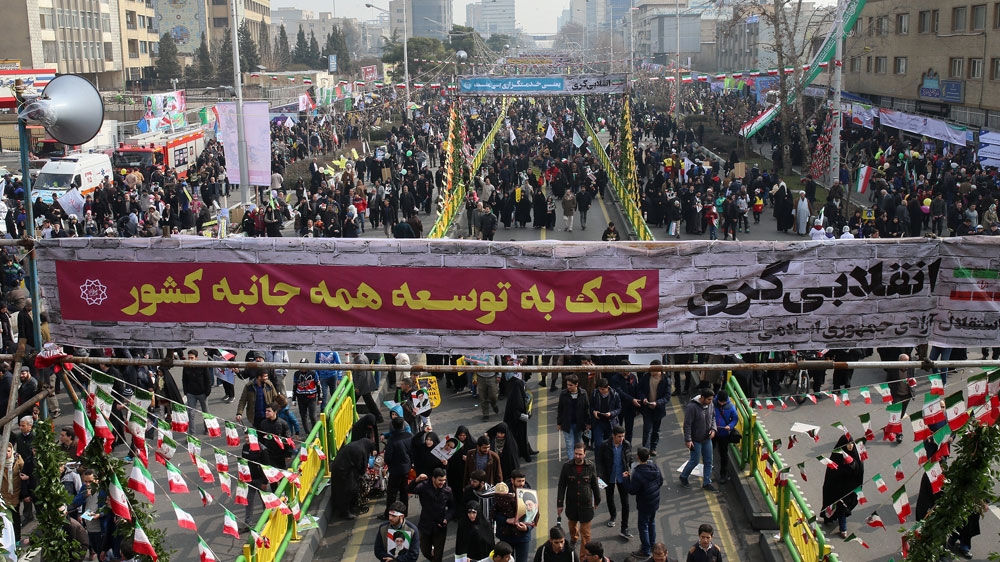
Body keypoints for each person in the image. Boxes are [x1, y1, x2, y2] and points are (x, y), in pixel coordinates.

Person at [557, 442, 601, 555]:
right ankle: (574, 538)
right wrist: (560, 503)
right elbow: (562, 485)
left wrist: (597, 499)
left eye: (580, 454)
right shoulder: (566, 466)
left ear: (585, 454)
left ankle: (583, 557)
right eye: (576, 454)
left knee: (586, 534)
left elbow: (595, 484)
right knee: (572, 527)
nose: (577, 456)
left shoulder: (591, 466)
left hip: (586, 505)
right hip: (571, 505)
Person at [820, 435, 864, 539]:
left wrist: (853, 465)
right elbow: (834, 471)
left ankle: (837, 524)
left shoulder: (855, 455)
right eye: (848, 444)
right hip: (837, 487)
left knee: (842, 507)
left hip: (849, 488)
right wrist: (845, 469)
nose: (850, 446)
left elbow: (859, 470)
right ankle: (837, 525)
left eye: (852, 443)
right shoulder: (837, 455)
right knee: (838, 506)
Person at [407, 468, 455, 562]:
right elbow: (409, 489)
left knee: (438, 555)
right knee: (425, 551)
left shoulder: (447, 491)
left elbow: (452, 508)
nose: (442, 482)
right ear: (433, 479)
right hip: (425, 525)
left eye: (444, 480)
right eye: (440, 480)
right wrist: (416, 480)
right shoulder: (424, 487)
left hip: (440, 526)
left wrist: (447, 519)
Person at [595, 425, 633, 538]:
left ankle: (624, 527)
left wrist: (631, 470)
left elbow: (629, 459)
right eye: (619, 436)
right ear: (613, 436)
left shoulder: (627, 445)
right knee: (609, 497)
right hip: (609, 476)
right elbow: (599, 461)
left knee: (625, 502)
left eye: (623, 436)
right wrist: (599, 475)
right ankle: (613, 516)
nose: (621, 439)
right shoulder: (604, 445)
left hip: (623, 477)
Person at [625, 447, 663, 557]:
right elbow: (660, 481)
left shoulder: (638, 473)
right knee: (651, 522)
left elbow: (632, 490)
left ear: (638, 457)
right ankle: (652, 545)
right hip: (654, 501)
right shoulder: (655, 467)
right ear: (649, 457)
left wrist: (626, 479)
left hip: (644, 503)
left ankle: (646, 550)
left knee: (643, 526)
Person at [679, 389, 718, 491]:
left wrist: (713, 429)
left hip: (707, 439)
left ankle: (706, 482)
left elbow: (713, 417)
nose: (710, 401)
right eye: (709, 399)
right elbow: (687, 425)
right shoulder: (692, 407)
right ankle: (683, 476)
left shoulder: (710, 404)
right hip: (695, 440)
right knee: (695, 460)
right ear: (702, 398)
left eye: (711, 399)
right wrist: (688, 440)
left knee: (709, 461)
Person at [330, 438, 377, 520]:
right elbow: (361, 466)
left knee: (340, 489)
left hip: (340, 467)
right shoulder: (361, 450)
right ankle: (345, 512)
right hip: (343, 471)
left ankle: (344, 508)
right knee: (347, 490)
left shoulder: (357, 444)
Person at [382, 417, 414, 520]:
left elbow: (388, 458)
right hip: (406, 468)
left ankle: (388, 513)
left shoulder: (392, 440)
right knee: (404, 491)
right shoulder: (409, 436)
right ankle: (405, 512)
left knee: (392, 493)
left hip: (395, 471)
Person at [502, 371, 536, 463]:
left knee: (522, 438)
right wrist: (527, 417)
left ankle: (528, 451)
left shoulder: (516, 396)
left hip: (516, 423)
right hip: (515, 424)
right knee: (519, 439)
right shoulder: (517, 399)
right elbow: (516, 413)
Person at [638, 363, 671, 456]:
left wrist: (657, 403)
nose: (651, 372)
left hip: (658, 409)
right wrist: (643, 398)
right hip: (647, 408)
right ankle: (645, 450)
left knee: (656, 430)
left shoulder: (666, 380)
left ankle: (653, 447)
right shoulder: (646, 378)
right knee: (647, 429)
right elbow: (639, 390)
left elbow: (667, 396)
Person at [557, 375, 590, 461]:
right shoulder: (563, 394)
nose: (568, 387)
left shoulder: (583, 393)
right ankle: (572, 463)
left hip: (579, 423)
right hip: (567, 424)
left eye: (571, 385)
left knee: (578, 443)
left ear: (576, 385)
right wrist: (559, 423)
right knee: (570, 444)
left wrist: (588, 423)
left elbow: (586, 408)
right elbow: (560, 409)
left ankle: (578, 459)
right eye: (567, 385)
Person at [181, 349, 213, 434]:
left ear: (196, 358)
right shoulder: (186, 366)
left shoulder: (202, 366)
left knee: (205, 413)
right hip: (191, 394)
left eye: (192, 358)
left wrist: (207, 392)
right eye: (189, 358)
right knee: (190, 414)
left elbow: (208, 379)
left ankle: (207, 428)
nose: (190, 360)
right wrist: (186, 392)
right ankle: (192, 433)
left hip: (202, 393)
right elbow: (184, 380)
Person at [712, 391, 739, 485]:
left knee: (723, 455)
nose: (721, 404)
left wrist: (730, 426)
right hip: (713, 432)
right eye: (720, 401)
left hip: (724, 434)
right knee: (707, 451)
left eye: (723, 402)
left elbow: (735, 419)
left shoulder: (730, 407)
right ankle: (707, 470)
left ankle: (723, 475)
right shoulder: (712, 404)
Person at [257, 403, 292, 471]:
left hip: (280, 453)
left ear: (275, 412)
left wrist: (288, 454)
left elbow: (288, 440)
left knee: (281, 472)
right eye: (266, 411)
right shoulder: (263, 423)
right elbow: (260, 438)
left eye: (269, 411)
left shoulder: (283, 423)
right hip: (268, 453)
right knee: (271, 473)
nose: (266, 412)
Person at [590, 379, 621, 452]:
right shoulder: (595, 394)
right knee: (598, 444)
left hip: (610, 423)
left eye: (603, 389)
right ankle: (598, 462)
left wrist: (611, 413)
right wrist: (594, 411)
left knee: (609, 445)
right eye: (599, 389)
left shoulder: (615, 395)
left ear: (608, 387)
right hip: (598, 422)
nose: (601, 391)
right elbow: (591, 406)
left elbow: (619, 408)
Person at [293, 359, 321, 433]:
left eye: (304, 366)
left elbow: (318, 385)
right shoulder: (296, 374)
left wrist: (319, 398)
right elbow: (295, 386)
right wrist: (293, 399)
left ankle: (315, 432)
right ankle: (308, 433)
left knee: (312, 416)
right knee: (303, 416)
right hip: (300, 398)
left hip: (311, 397)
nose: (302, 368)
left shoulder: (313, 373)